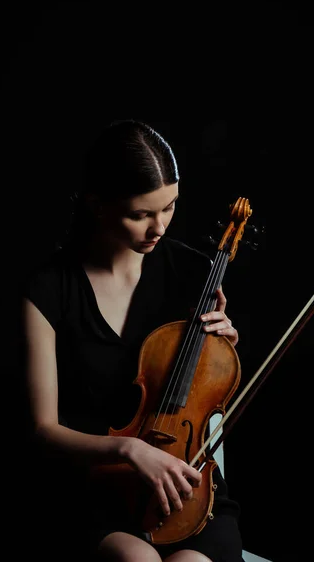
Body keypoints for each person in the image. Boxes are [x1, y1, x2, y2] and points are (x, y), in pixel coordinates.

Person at [20, 119, 243, 561]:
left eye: (170, 208)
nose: (159, 228)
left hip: (186, 485)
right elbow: (42, 430)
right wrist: (130, 449)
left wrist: (221, 348)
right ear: (97, 205)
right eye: (141, 214)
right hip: (93, 487)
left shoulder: (194, 275)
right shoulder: (49, 291)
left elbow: (207, 401)